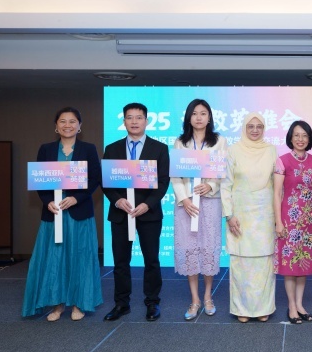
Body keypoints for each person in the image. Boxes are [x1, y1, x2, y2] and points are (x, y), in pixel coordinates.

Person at [22, 107, 102, 321]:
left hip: (78, 214)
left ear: (80, 126)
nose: (68, 125)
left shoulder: (88, 149)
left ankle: (79, 303)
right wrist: (47, 201)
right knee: (54, 259)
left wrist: (77, 198)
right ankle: (57, 304)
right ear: (56, 126)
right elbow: (40, 180)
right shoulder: (46, 149)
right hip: (54, 214)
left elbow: (95, 179)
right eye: (63, 121)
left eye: (72, 121)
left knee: (80, 258)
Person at [102, 102, 170, 322]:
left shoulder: (159, 148)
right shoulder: (112, 149)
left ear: (146, 121)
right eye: (129, 117)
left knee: (152, 260)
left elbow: (163, 182)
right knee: (121, 261)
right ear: (124, 121)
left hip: (148, 213)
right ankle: (121, 303)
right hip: (121, 213)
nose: (134, 121)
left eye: (139, 117)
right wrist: (117, 200)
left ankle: (152, 302)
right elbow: (106, 182)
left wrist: (147, 204)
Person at [172, 99, 227, 320]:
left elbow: (223, 172)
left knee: (208, 248)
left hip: (210, 202)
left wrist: (210, 185)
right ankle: (194, 299)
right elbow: (175, 175)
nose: (199, 117)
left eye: (203, 113)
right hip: (186, 205)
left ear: (209, 117)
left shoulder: (219, 141)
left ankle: (207, 296)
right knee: (189, 249)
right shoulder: (180, 142)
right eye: (194, 113)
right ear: (188, 117)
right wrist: (184, 199)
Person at [221, 112, 277, 322]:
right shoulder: (233, 150)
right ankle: (241, 309)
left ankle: (263, 308)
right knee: (241, 262)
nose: (255, 130)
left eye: (259, 126)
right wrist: (229, 215)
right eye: (250, 126)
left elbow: (277, 185)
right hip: (240, 214)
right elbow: (225, 184)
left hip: (264, 214)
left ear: (264, 129)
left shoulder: (271, 150)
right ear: (244, 128)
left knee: (263, 262)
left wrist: (277, 215)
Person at [274, 121, 312, 324]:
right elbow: (277, 194)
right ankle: (292, 306)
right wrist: (278, 222)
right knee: (290, 265)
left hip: (308, 220)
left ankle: (300, 304)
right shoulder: (282, 161)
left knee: (304, 264)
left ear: (309, 138)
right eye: (296, 135)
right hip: (289, 220)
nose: (300, 139)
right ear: (290, 138)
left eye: (304, 135)